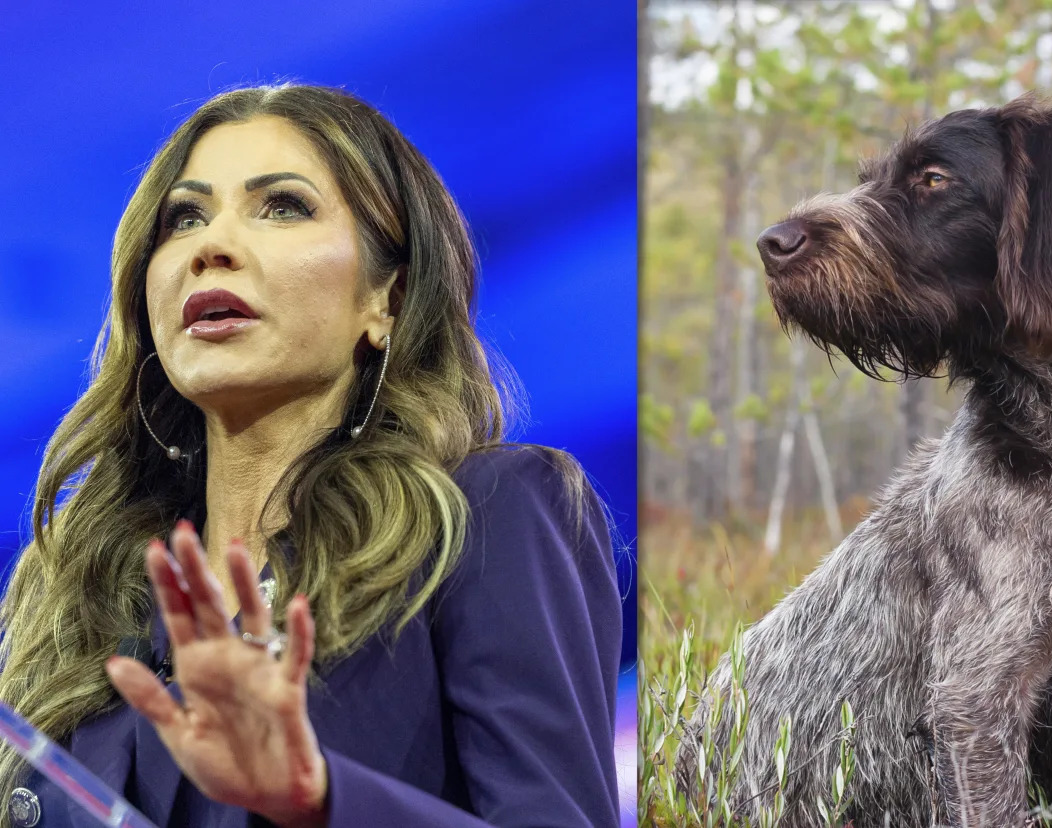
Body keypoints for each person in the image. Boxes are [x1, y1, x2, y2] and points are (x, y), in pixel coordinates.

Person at [0, 83, 622, 827]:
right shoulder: (75, 593)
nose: (211, 246)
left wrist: (319, 798)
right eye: (184, 218)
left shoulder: (489, 513)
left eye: (283, 206)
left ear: (384, 301)